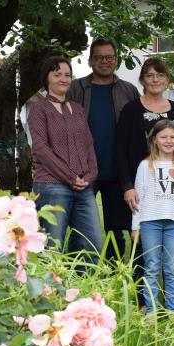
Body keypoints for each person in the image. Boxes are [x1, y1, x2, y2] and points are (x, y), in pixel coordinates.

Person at [116, 57, 174, 306]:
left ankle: (171, 306)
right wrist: (127, 185)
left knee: (173, 260)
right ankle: (144, 304)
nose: (155, 79)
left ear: (167, 79)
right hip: (143, 189)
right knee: (144, 255)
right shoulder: (131, 110)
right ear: (142, 80)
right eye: (150, 75)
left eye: (160, 75)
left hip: (173, 194)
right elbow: (121, 150)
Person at [67, 38, 140, 261]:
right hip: (83, 170)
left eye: (109, 57)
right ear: (90, 61)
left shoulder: (128, 90)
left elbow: (137, 131)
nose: (104, 61)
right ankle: (74, 276)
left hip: (117, 171)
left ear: (116, 60)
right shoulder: (75, 88)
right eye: (99, 57)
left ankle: (112, 275)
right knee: (80, 228)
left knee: (116, 229)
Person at [27, 56, 104, 263]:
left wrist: (90, 175)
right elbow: (41, 149)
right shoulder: (39, 109)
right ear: (47, 78)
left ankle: (77, 292)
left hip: (83, 187)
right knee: (53, 249)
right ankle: (51, 293)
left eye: (67, 75)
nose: (63, 78)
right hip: (52, 186)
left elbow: (89, 145)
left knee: (93, 244)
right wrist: (70, 177)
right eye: (57, 74)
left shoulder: (77, 109)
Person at [130, 120, 174, 312]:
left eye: (172, 137)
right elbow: (138, 197)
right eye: (163, 137)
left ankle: (173, 311)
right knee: (151, 267)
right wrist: (135, 226)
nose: (168, 141)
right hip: (150, 223)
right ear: (155, 140)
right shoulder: (145, 166)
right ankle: (151, 311)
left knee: (172, 269)